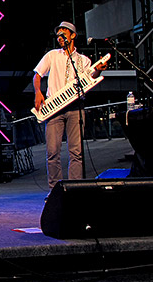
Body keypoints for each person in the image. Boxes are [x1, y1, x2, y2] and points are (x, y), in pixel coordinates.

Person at [33, 21, 108, 193]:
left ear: (72, 35)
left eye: (63, 32)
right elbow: (37, 74)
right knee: (52, 153)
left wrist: (99, 70)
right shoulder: (52, 55)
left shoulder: (84, 60)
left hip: (76, 109)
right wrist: (38, 92)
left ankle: (75, 190)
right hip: (54, 109)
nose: (60, 36)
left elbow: (91, 77)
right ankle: (55, 191)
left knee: (76, 152)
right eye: (58, 34)